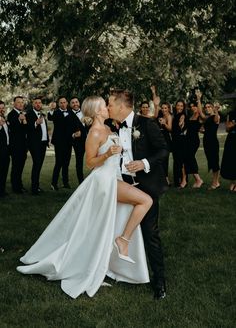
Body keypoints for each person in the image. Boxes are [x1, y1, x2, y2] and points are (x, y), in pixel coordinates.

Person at [17, 96, 152, 299]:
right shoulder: (95, 132)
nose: (108, 107)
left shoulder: (108, 128)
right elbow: (90, 163)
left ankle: (112, 254)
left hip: (114, 177)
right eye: (104, 106)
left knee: (99, 226)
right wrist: (107, 155)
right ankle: (122, 241)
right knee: (145, 200)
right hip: (104, 182)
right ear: (97, 111)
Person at [108, 88, 169, 300]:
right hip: (124, 186)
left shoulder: (146, 124)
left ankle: (159, 281)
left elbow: (163, 150)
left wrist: (143, 163)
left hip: (147, 187)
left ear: (122, 106)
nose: (108, 108)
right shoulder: (111, 126)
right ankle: (121, 272)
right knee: (120, 229)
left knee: (150, 233)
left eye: (111, 104)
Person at [196, 91, 221, 190]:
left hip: (213, 142)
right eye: (206, 107)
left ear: (212, 107)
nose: (207, 108)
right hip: (206, 142)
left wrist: (216, 110)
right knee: (211, 162)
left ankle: (215, 183)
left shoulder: (216, 116)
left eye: (208, 107)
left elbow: (216, 120)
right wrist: (198, 99)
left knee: (214, 162)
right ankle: (216, 182)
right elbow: (200, 113)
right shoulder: (206, 118)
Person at [48, 97, 73, 190]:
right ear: (59, 104)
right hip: (59, 142)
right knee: (59, 162)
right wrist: (51, 109)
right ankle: (53, 184)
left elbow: (74, 123)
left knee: (66, 163)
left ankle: (65, 183)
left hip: (68, 141)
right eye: (61, 103)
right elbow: (50, 117)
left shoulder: (70, 112)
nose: (63, 104)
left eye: (64, 102)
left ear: (67, 103)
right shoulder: (56, 112)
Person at [26, 97, 49, 195]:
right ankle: (34, 188)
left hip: (43, 143)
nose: (38, 104)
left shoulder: (42, 114)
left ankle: (36, 186)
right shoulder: (29, 114)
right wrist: (36, 123)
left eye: (40, 103)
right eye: (36, 103)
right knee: (37, 164)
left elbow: (44, 129)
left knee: (39, 165)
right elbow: (27, 128)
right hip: (34, 144)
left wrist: (47, 139)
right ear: (33, 104)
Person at [7, 96, 28, 193]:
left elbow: (24, 130)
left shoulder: (22, 114)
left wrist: (24, 121)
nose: (21, 104)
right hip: (15, 146)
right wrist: (20, 119)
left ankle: (19, 185)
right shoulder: (11, 114)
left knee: (20, 167)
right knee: (16, 167)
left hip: (23, 146)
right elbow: (14, 130)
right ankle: (15, 187)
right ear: (14, 104)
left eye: (22, 102)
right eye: (18, 102)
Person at [182, 101, 204, 188]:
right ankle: (196, 179)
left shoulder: (200, 116)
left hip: (194, 141)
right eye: (191, 106)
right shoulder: (191, 116)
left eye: (194, 106)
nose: (192, 108)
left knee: (190, 157)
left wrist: (198, 99)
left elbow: (200, 126)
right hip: (187, 140)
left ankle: (199, 180)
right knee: (187, 158)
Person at [69, 97, 87, 184]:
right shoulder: (68, 115)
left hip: (90, 140)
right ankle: (81, 181)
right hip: (78, 142)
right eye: (73, 102)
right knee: (79, 161)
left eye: (76, 102)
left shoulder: (86, 112)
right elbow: (65, 130)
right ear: (70, 105)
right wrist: (73, 134)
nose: (75, 104)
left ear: (79, 103)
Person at [171, 99, 188, 187]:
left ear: (184, 107)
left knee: (181, 161)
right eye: (178, 105)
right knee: (176, 161)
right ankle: (177, 181)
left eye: (182, 106)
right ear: (176, 106)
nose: (180, 107)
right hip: (175, 141)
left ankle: (184, 180)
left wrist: (181, 123)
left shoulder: (183, 115)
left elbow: (181, 125)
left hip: (181, 141)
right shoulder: (175, 115)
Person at [220, 105, 236, 191]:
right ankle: (232, 182)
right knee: (231, 160)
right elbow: (227, 128)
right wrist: (232, 124)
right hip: (231, 140)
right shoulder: (231, 114)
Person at [0, 101, 10, 197]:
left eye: (3, 107)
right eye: (0, 108)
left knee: (4, 170)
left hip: (6, 149)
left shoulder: (4, 118)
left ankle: (2, 190)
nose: (2, 109)